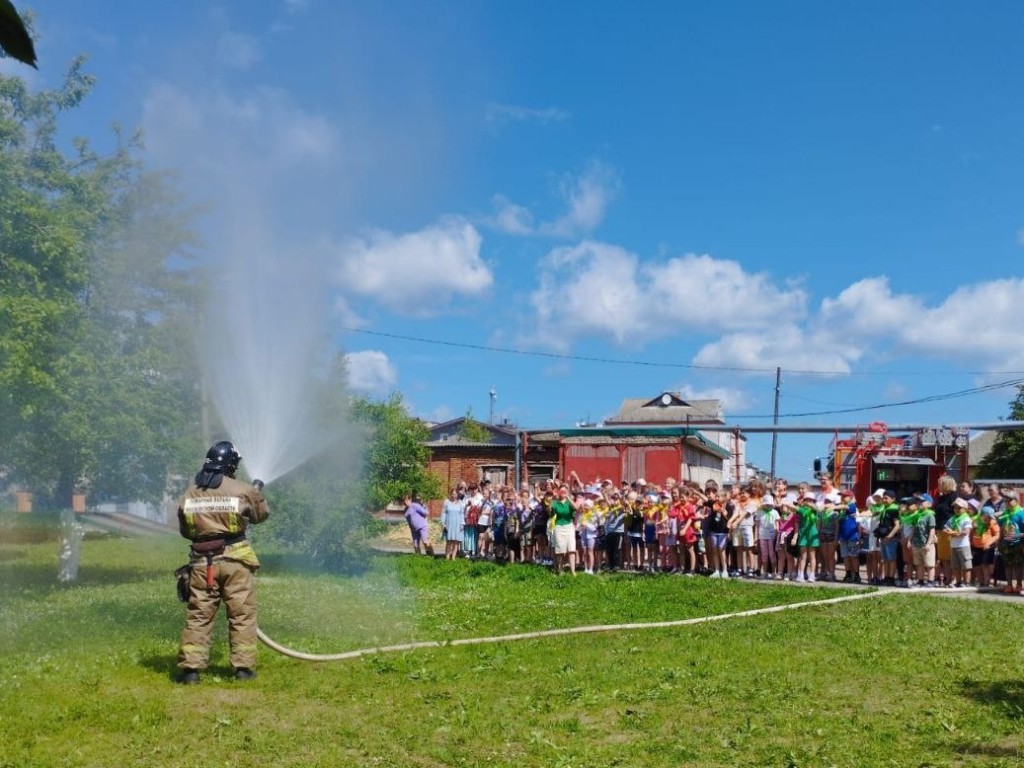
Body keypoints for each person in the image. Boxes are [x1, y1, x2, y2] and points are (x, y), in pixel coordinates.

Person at [177, 441, 269, 684]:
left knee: (199, 615)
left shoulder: (190, 493)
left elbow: (186, 531)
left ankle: (191, 672)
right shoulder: (242, 489)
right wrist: (256, 492)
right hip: (235, 561)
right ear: (231, 465)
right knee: (241, 615)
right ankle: (243, 670)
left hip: (201, 564)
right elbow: (261, 516)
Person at [441, 488, 465, 561]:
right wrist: (443, 523)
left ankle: (453, 558)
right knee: (449, 541)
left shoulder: (460, 503)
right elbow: (443, 513)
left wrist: (462, 524)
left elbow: (462, 514)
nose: (454, 495)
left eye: (455, 494)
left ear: (457, 495)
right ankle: (447, 558)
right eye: (453, 494)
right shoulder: (446, 502)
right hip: (449, 523)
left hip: (457, 524)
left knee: (456, 542)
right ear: (450, 494)